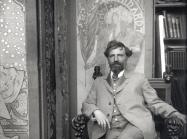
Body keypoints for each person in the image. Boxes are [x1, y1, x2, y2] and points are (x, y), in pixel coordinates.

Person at [82, 40, 186, 139]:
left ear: (126, 57)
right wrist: (96, 111)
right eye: (112, 56)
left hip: (136, 125)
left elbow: (155, 103)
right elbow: (87, 104)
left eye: (120, 55)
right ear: (108, 59)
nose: (116, 59)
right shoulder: (98, 82)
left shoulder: (139, 79)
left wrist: (175, 114)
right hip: (110, 129)